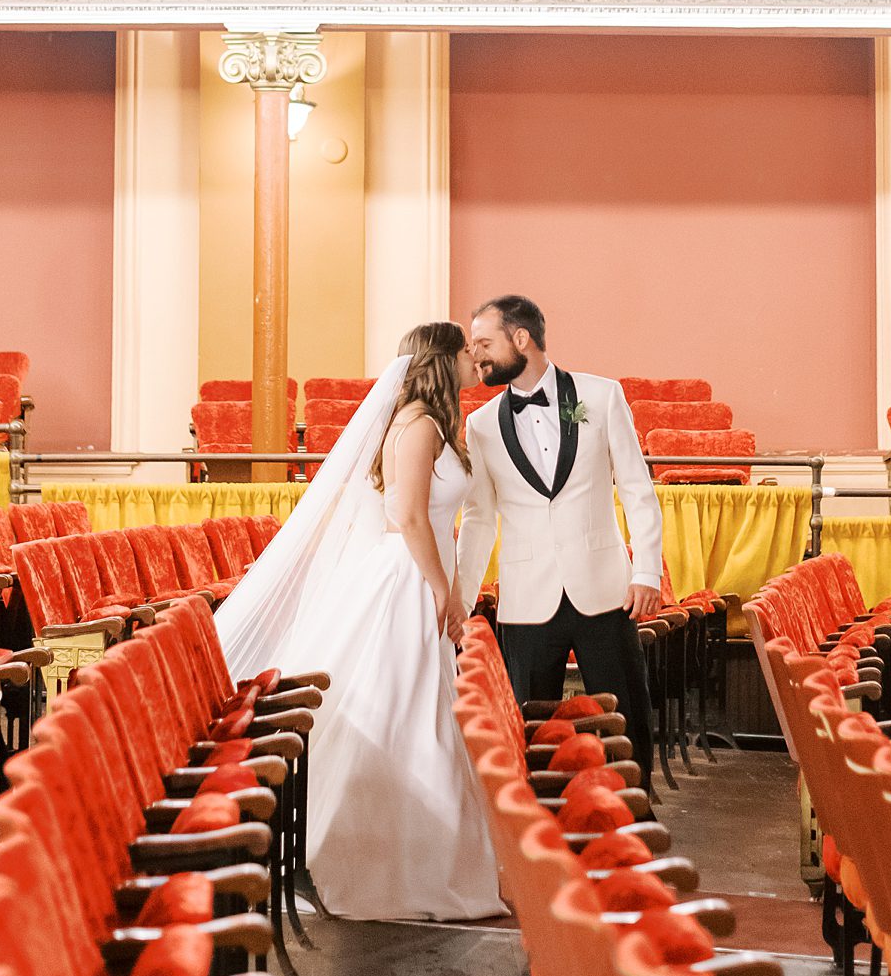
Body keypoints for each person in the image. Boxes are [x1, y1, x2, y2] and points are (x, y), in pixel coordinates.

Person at [214, 322, 501, 923]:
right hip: (410, 578)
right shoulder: (421, 425)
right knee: (405, 713)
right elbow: (410, 519)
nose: (473, 360)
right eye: (463, 352)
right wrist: (446, 593)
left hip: (411, 574)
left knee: (413, 712)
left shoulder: (422, 422)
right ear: (441, 362)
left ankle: (409, 850)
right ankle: (379, 858)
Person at [457, 293, 664, 782]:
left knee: (627, 717)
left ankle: (636, 818)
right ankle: (537, 830)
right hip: (527, 598)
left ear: (520, 339)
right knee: (528, 728)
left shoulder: (601, 395)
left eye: (484, 342)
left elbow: (637, 488)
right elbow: (479, 519)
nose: (477, 354)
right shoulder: (480, 425)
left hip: (605, 589)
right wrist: (461, 601)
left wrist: (647, 570)